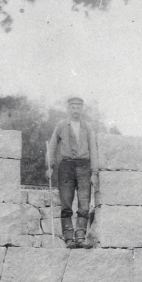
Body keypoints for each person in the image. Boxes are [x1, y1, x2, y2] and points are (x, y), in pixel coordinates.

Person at [46, 96, 99, 248]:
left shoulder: (87, 127)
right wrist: (49, 166)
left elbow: (93, 149)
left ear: (82, 109)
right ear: (68, 109)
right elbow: (52, 146)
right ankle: (69, 238)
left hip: (84, 167)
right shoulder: (61, 125)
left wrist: (94, 172)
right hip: (66, 167)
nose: (76, 110)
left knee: (84, 204)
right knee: (66, 205)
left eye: (78, 107)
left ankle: (80, 237)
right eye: (73, 107)